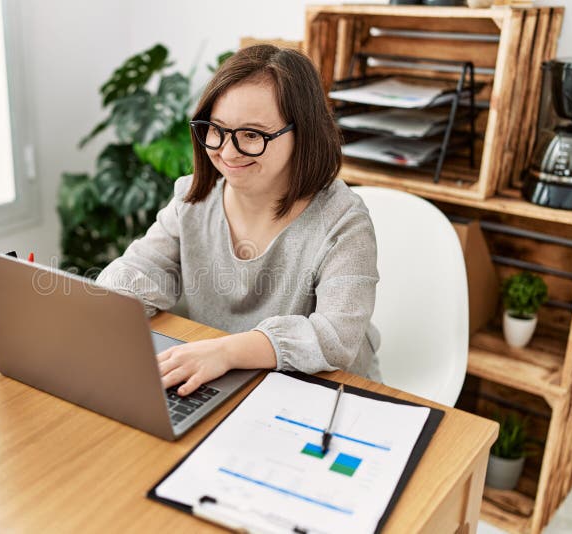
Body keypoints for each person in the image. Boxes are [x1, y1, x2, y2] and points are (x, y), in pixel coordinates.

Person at [96, 44, 381, 397]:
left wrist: (227, 351)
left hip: (325, 392)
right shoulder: (192, 199)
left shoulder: (342, 221)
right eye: (215, 129)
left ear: (303, 132)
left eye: (252, 135)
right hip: (226, 381)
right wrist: (99, 308)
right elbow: (142, 269)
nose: (227, 152)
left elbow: (335, 337)